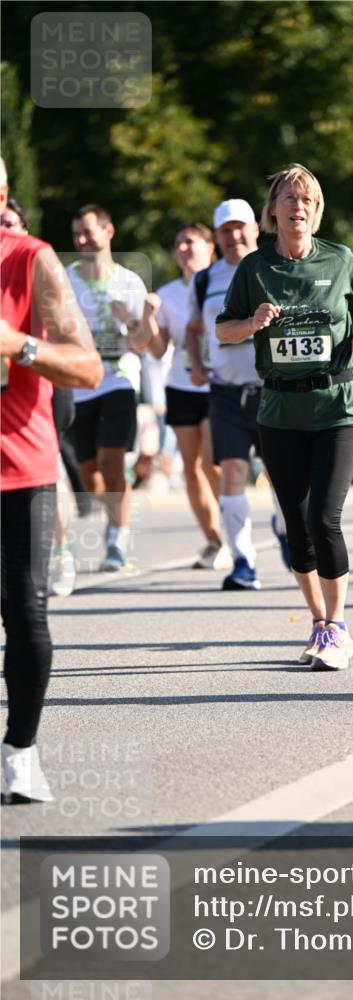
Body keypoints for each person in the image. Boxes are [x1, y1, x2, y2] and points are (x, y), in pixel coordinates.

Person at [217, 163, 353, 670]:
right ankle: (318, 623)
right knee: (295, 525)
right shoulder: (255, 269)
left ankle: (340, 625)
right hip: (280, 411)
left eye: (306, 199)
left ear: (317, 210)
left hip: (337, 407)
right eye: (288, 198)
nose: (297, 207)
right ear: (273, 211)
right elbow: (224, 331)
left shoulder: (341, 258)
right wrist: (252, 322)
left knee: (324, 517)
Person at [1, 156, 103, 802]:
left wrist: (20, 347)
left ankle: (20, 753)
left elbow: (88, 367)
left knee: (24, 612)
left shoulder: (30, 260)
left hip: (20, 469)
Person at [187, 198, 289, 590]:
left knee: (281, 476)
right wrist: (196, 363)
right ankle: (243, 560)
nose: (233, 237)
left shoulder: (272, 267)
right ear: (217, 237)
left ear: (255, 229)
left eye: (240, 228)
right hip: (226, 392)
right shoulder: (205, 279)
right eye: (225, 231)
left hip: (272, 389)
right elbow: (195, 329)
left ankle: (284, 527)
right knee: (231, 470)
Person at [137, 223, 232, 569]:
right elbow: (159, 349)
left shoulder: (224, 283)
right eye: (178, 243)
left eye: (190, 241)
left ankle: (235, 530)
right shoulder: (167, 294)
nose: (183, 248)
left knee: (212, 464)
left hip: (218, 383)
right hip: (181, 385)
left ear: (211, 248)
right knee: (191, 470)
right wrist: (147, 315)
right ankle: (213, 540)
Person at [67, 204, 150, 572]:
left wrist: (130, 319)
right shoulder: (64, 277)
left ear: (108, 232)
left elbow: (144, 343)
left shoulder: (129, 281)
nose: (82, 240)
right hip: (79, 385)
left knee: (111, 461)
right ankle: (117, 511)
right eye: (77, 235)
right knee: (89, 476)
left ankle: (118, 536)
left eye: (89, 232)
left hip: (118, 380)